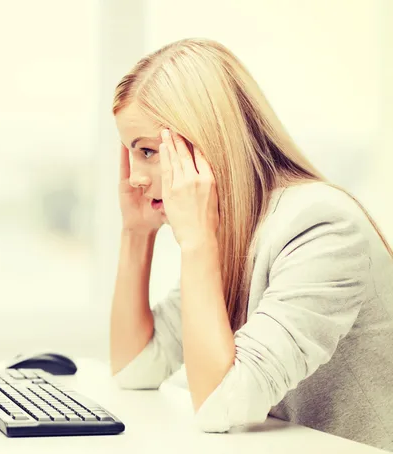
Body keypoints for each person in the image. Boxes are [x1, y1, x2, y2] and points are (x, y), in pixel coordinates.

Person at [109, 38, 393, 452]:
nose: (135, 176)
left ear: (207, 141)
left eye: (149, 151)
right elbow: (135, 369)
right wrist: (136, 233)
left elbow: (220, 404)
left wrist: (196, 243)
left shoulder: (320, 225)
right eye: (132, 153)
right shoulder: (236, 227)